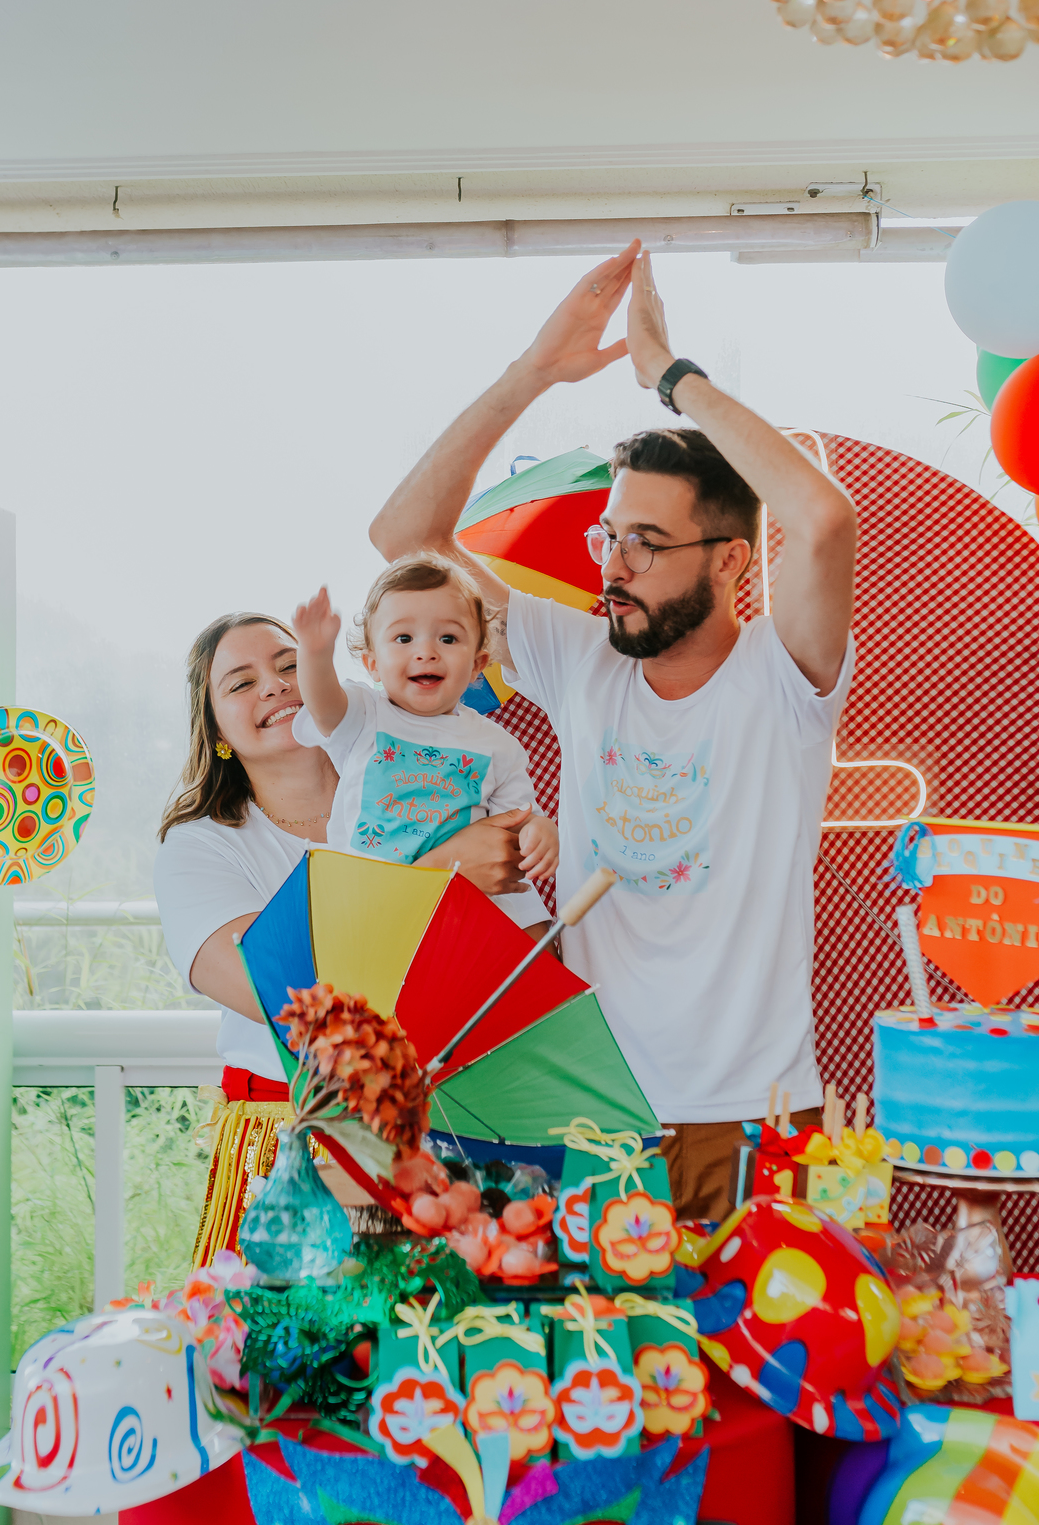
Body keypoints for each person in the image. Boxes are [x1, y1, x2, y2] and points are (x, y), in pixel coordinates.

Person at [370, 242, 858, 1221]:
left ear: (729, 562)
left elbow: (821, 516)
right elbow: (405, 540)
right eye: (608, 535)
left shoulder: (783, 673)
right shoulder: (581, 658)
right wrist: (533, 374)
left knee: (758, 1374)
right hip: (595, 1112)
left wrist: (669, 377)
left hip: (752, 1120)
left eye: (645, 541)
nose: (613, 564)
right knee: (608, 1374)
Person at [152, 611, 539, 1255]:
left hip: (439, 1129)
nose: (275, 686)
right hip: (290, 1142)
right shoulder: (201, 846)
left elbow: (505, 958)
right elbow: (283, 991)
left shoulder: (434, 795)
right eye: (240, 683)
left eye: (287, 663)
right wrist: (437, 871)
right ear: (216, 730)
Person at [292, 554, 556, 937]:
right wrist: (314, 654)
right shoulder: (364, 716)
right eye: (403, 638)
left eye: (448, 638)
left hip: (464, 910)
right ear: (372, 664)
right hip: (373, 908)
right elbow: (323, 704)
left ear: (478, 664)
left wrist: (540, 829)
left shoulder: (498, 744)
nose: (426, 651)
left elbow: (515, 821)